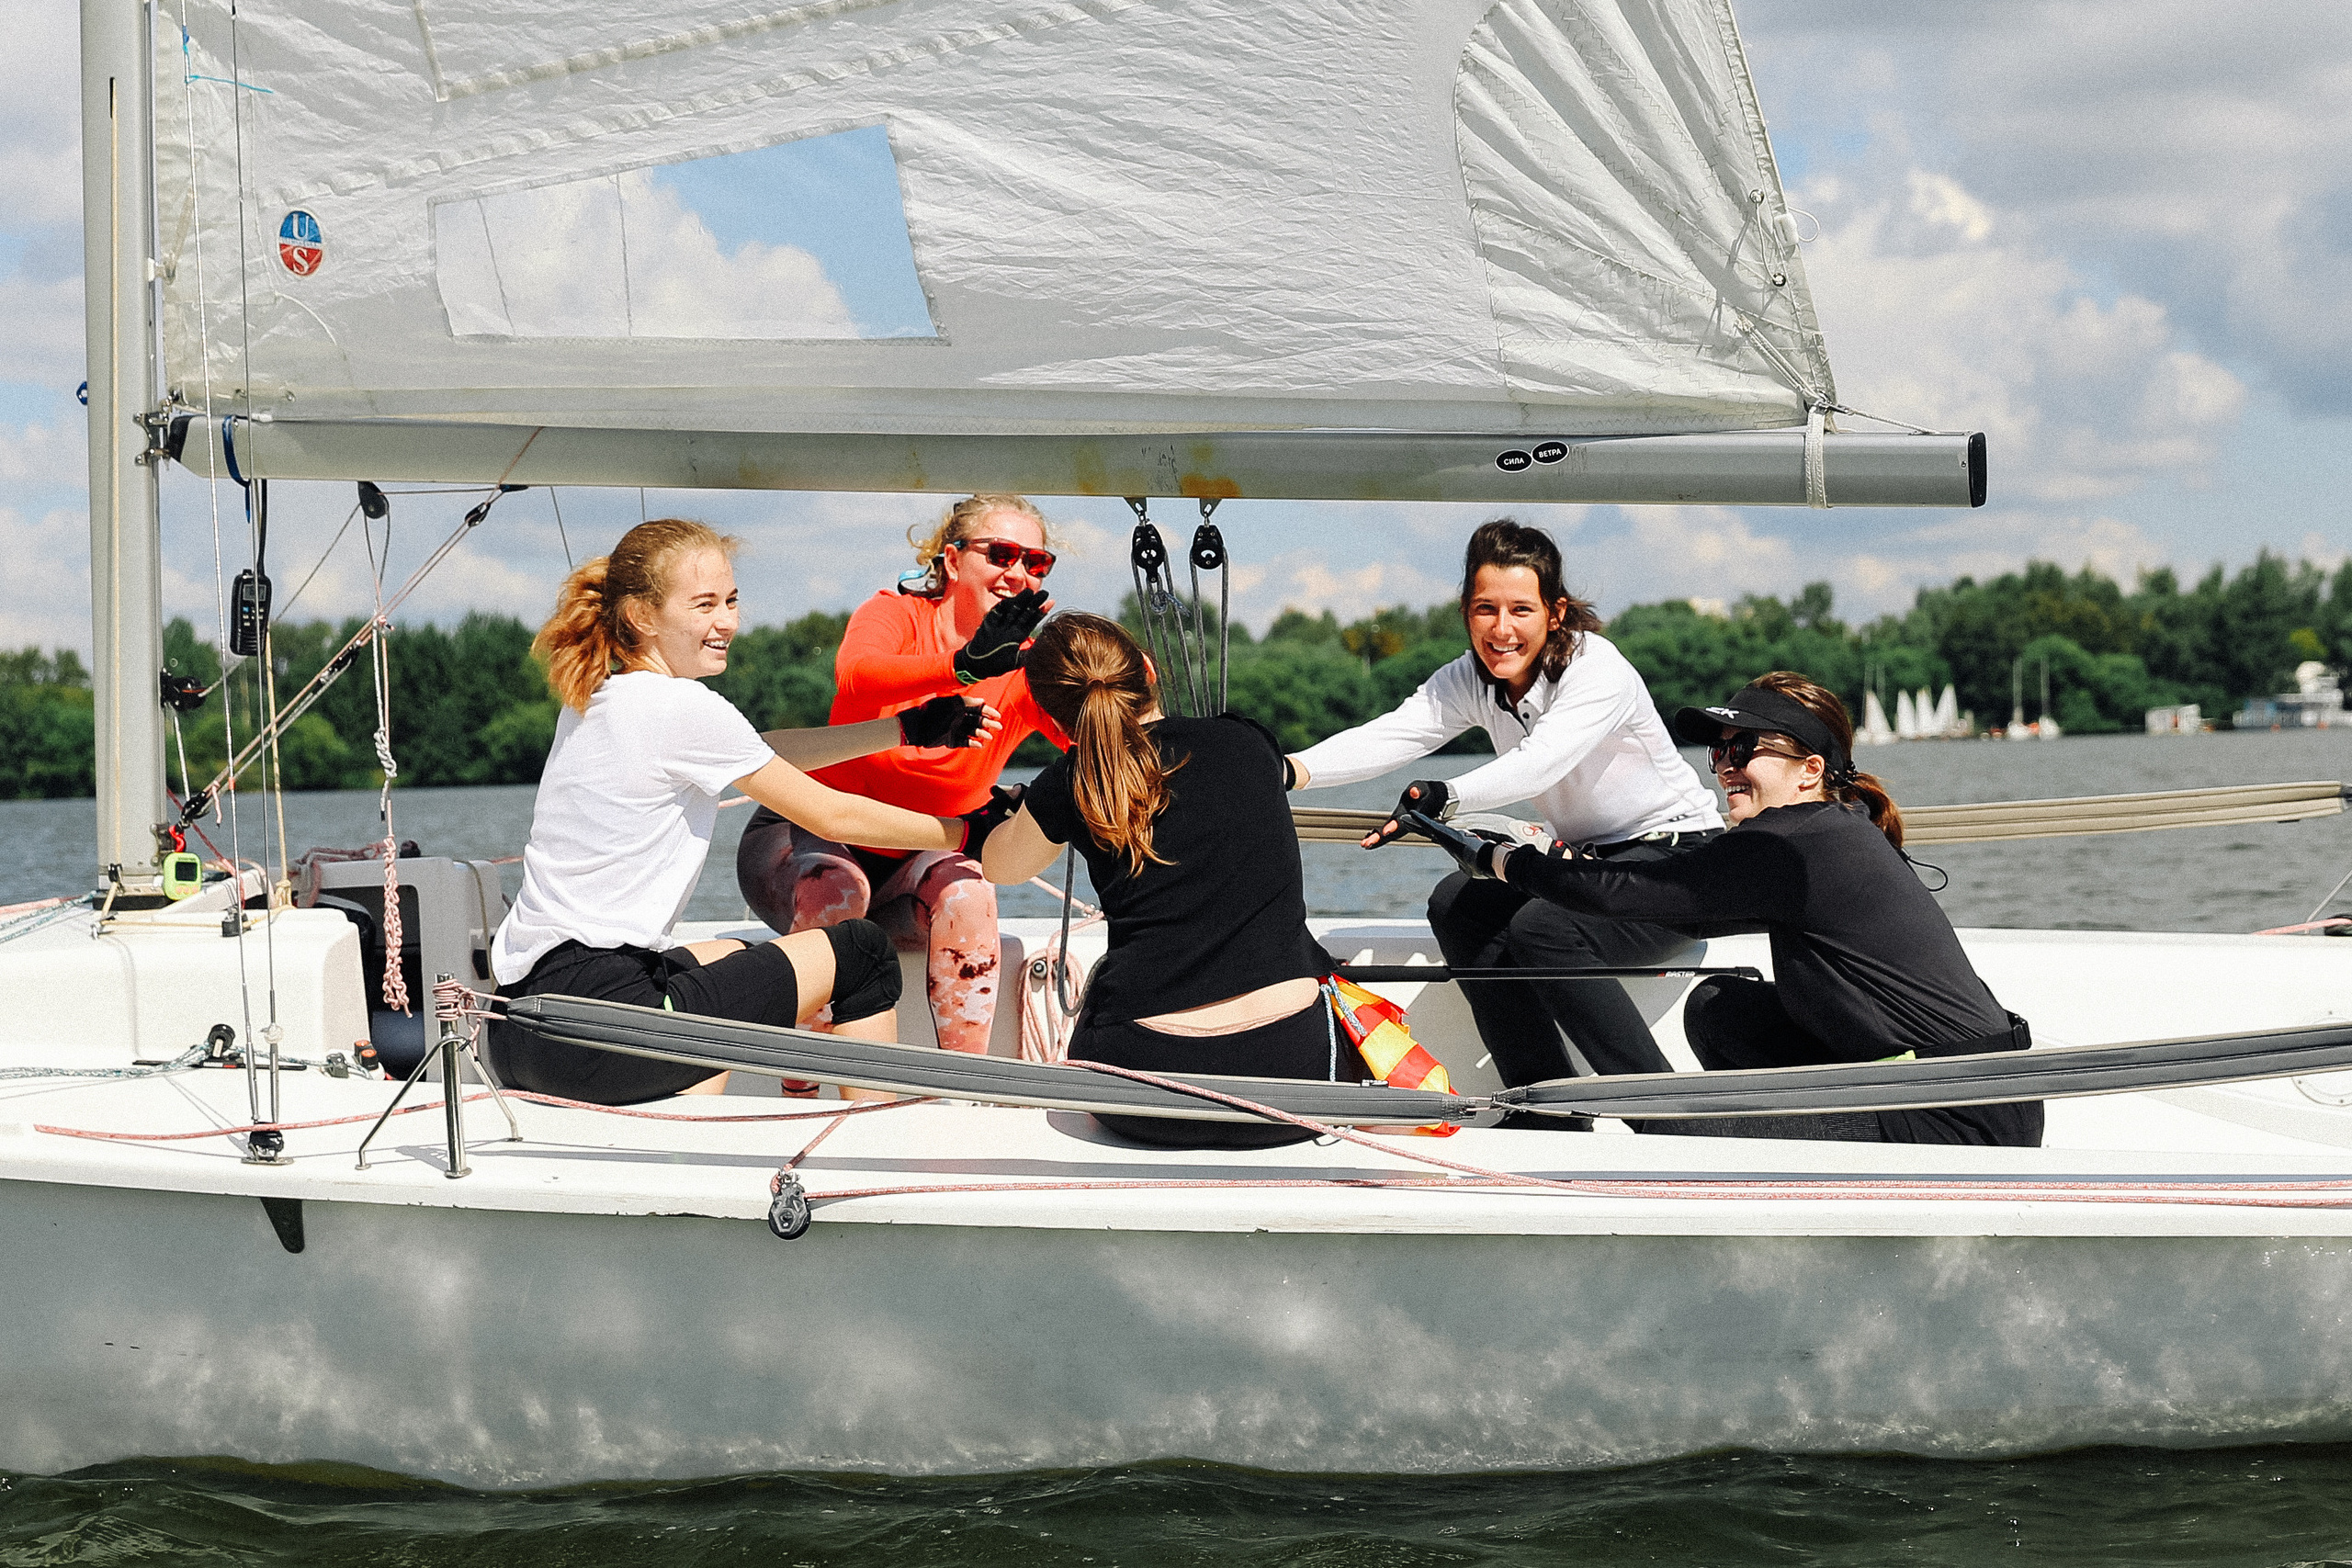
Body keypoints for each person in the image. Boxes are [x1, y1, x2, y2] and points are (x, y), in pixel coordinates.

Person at [486, 519, 1018, 1106]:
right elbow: (833, 817)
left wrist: (902, 728)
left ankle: (695, 1138)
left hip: (520, 1029)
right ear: (640, 616)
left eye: (732, 601)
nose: (728, 622)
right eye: (705, 604)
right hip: (603, 1031)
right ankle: (874, 1160)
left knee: (741, 963)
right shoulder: (684, 706)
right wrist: (966, 831)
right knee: (861, 954)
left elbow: (760, 750)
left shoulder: (598, 698)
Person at [1392, 671, 2042, 1146]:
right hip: (1938, 1086)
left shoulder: (1796, 843)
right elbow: (1680, 904)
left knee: (1684, 1121)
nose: (1723, 768)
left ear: (1809, 769)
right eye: (1718, 751)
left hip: (1957, 1114)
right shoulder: (1826, 831)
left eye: (1743, 750)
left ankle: (1671, 1126)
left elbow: (1623, 895)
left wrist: (1503, 861)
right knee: (1718, 1010)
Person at [1287, 518, 1722, 1097]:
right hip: (1591, 867)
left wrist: (1449, 794)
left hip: (1676, 867)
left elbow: (1541, 762)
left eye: (1521, 609)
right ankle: (1543, 1102)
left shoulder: (1597, 669)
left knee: (1543, 928)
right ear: (1466, 611)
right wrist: (1282, 771)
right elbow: (1392, 735)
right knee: (1457, 903)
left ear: (1556, 612)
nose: (1501, 629)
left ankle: (1663, 1109)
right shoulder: (1471, 678)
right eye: (1484, 609)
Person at [978, 612, 1341, 1148]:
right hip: (1294, 1077)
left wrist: (1023, 812)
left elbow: (999, 867)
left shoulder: (1067, 784)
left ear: (1055, 724)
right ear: (1148, 670)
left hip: (1146, 1092)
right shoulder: (1246, 741)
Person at [738, 494, 1068, 1058]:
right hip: (809, 842)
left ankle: (961, 1094)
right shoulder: (893, 613)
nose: (1017, 572)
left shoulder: (1030, 665)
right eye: (1001, 553)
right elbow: (857, 678)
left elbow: (1099, 737)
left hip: (916, 864)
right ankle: (798, 1093)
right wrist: (964, 667)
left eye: (1035, 562)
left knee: (970, 894)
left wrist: (1133, 690)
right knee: (835, 893)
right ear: (952, 560)